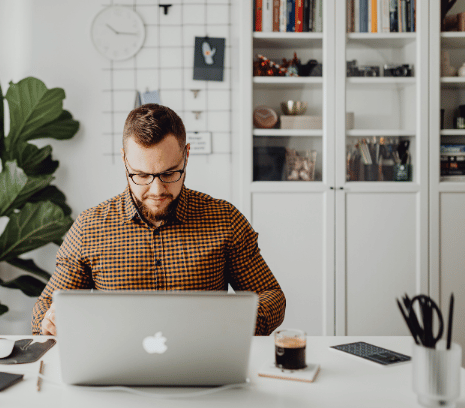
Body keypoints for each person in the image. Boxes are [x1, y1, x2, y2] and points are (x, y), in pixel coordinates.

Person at [32, 104, 285, 336]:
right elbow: (45, 306)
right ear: (124, 160)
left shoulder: (225, 220)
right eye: (141, 175)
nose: (156, 191)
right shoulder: (90, 227)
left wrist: (238, 322)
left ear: (186, 156)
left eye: (169, 173)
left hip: (202, 368)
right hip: (116, 372)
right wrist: (49, 320)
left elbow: (272, 296)